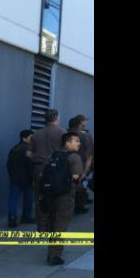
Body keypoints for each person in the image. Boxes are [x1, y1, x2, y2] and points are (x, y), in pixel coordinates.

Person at [38, 132, 84, 265]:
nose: (79, 143)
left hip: (50, 194)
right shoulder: (74, 157)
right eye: (76, 141)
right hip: (65, 196)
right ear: (67, 143)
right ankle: (54, 256)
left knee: (53, 224)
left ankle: (51, 252)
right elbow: (76, 176)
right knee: (61, 226)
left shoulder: (53, 155)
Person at [29, 109, 66, 228]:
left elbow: (30, 153)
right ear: (57, 119)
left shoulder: (36, 134)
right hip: (56, 170)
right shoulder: (62, 133)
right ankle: (52, 226)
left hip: (39, 168)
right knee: (57, 198)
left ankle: (41, 227)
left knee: (39, 198)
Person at [7, 130, 35, 227]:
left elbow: (8, 164)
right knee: (28, 199)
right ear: (24, 138)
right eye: (31, 137)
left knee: (13, 199)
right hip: (26, 179)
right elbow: (31, 164)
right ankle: (26, 217)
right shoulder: (28, 150)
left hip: (14, 178)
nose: (32, 139)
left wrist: (12, 175)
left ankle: (12, 218)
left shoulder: (14, 149)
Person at [68, 115, 93, 213]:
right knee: (82, 185)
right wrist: (87, 171)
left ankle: (74, 204)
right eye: (84, 121)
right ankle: (80, 205)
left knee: (71, 186)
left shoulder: (66, 133)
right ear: (80, 122)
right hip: (82, 165)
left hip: (68, 164)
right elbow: (89, 155)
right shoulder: (85, 135)